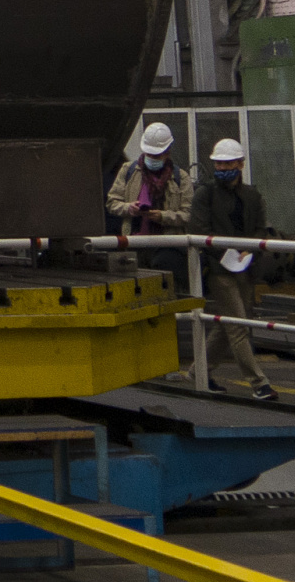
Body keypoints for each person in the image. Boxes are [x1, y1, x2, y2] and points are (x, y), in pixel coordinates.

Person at [187, 138, 275, 401]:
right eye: (219, 164)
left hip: (246, 267)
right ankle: (259, 382)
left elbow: (260, 228)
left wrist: (250, 250)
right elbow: (199, 229)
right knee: (238, 325)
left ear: (241, 164)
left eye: (228, 163)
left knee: (229, 323)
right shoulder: (205, 194)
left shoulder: (252, 195)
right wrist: (225, 253)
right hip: (218, 269)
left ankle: (198, 371)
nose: (223, 168)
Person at [107, 122, 191, 281]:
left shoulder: (181, 178)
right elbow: (112, 203)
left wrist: (163, 216)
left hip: (167, 248)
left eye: (156, 155)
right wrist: (129, 208)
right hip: (133, 244)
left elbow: (187, 214)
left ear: (167, 153)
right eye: (148, 154)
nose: (151, 159)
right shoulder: (128, 170)